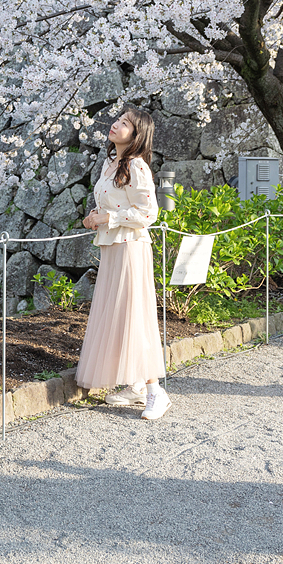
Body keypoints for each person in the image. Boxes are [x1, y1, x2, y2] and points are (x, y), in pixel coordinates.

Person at [77, 106, 171, 420]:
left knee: (135, 314)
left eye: (125, 123)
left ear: (137, 134)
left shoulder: (136, 166)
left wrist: (110, 217)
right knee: (119, 314)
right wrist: (96, 217)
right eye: (117, 120)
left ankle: (156, 391)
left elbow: (148, 213)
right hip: (114, 248)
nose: (116, 125)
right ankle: (136, 385)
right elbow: (112, 204)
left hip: (131, 249)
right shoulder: (111, 164)